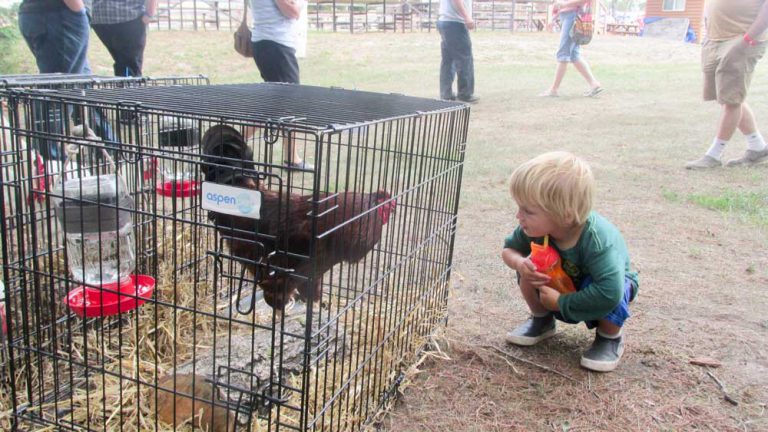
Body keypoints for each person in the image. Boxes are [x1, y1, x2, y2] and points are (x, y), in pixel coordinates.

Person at [502, 152, 638, 372]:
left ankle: (609, 337)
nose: (519, 216)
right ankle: (542, 320)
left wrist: (561, 303)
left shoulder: (597, 241)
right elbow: (509, 250)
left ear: (564, 215)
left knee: (617, 288)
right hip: (561, 281)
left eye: (527, 210)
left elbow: (609, 291)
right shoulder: (534, 228)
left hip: (602, 288)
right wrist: (520, 263)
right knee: (529, 269)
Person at [685, 0, 768, 169]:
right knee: (725, 95)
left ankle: (714, 155)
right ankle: (757, 147)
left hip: (742, 39)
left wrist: (748, 38)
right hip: (715, 39)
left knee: (731, 100)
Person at [250, 0, 312, 169]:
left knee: (280, 102)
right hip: (276, 45)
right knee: (282, 102)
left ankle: (292, 157)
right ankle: (229, 142)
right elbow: (292, 12)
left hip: (270, 43)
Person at [540, 0, 602, 97]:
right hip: (568, 16)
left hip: (573, 17)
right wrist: (554, 17)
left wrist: (564, 5)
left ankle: (554, 89)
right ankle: (594, 84)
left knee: (563, 53)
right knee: (574, 55)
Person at [18, 0, 92, 74]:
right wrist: (79, 10)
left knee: (80, 79)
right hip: (60, 15)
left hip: (47, 14)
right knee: (62, 81)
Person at [90, 0, 158, 77]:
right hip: (128, 15)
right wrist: (150, 13)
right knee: (130, 65)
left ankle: (124, 83)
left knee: (123, 62)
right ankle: (129, 86)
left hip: (100, 15)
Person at [437, 0, 479, 103]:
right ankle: (465, 94)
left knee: (448, 60)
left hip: (445, 21)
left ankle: (446, 93)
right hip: (455, 23)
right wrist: (467, 17)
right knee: (465, 59)